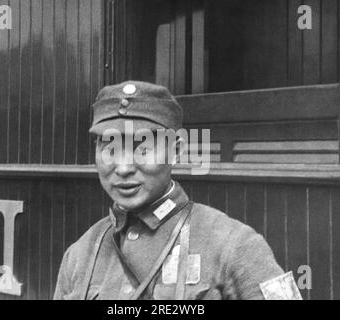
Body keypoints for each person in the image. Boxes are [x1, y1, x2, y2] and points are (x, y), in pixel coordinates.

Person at [53, 80, 302, 300]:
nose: (124, 167)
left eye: (143, 147)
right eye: (110, 149)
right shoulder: (79, 255)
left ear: (176, 150)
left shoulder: (234, 245)